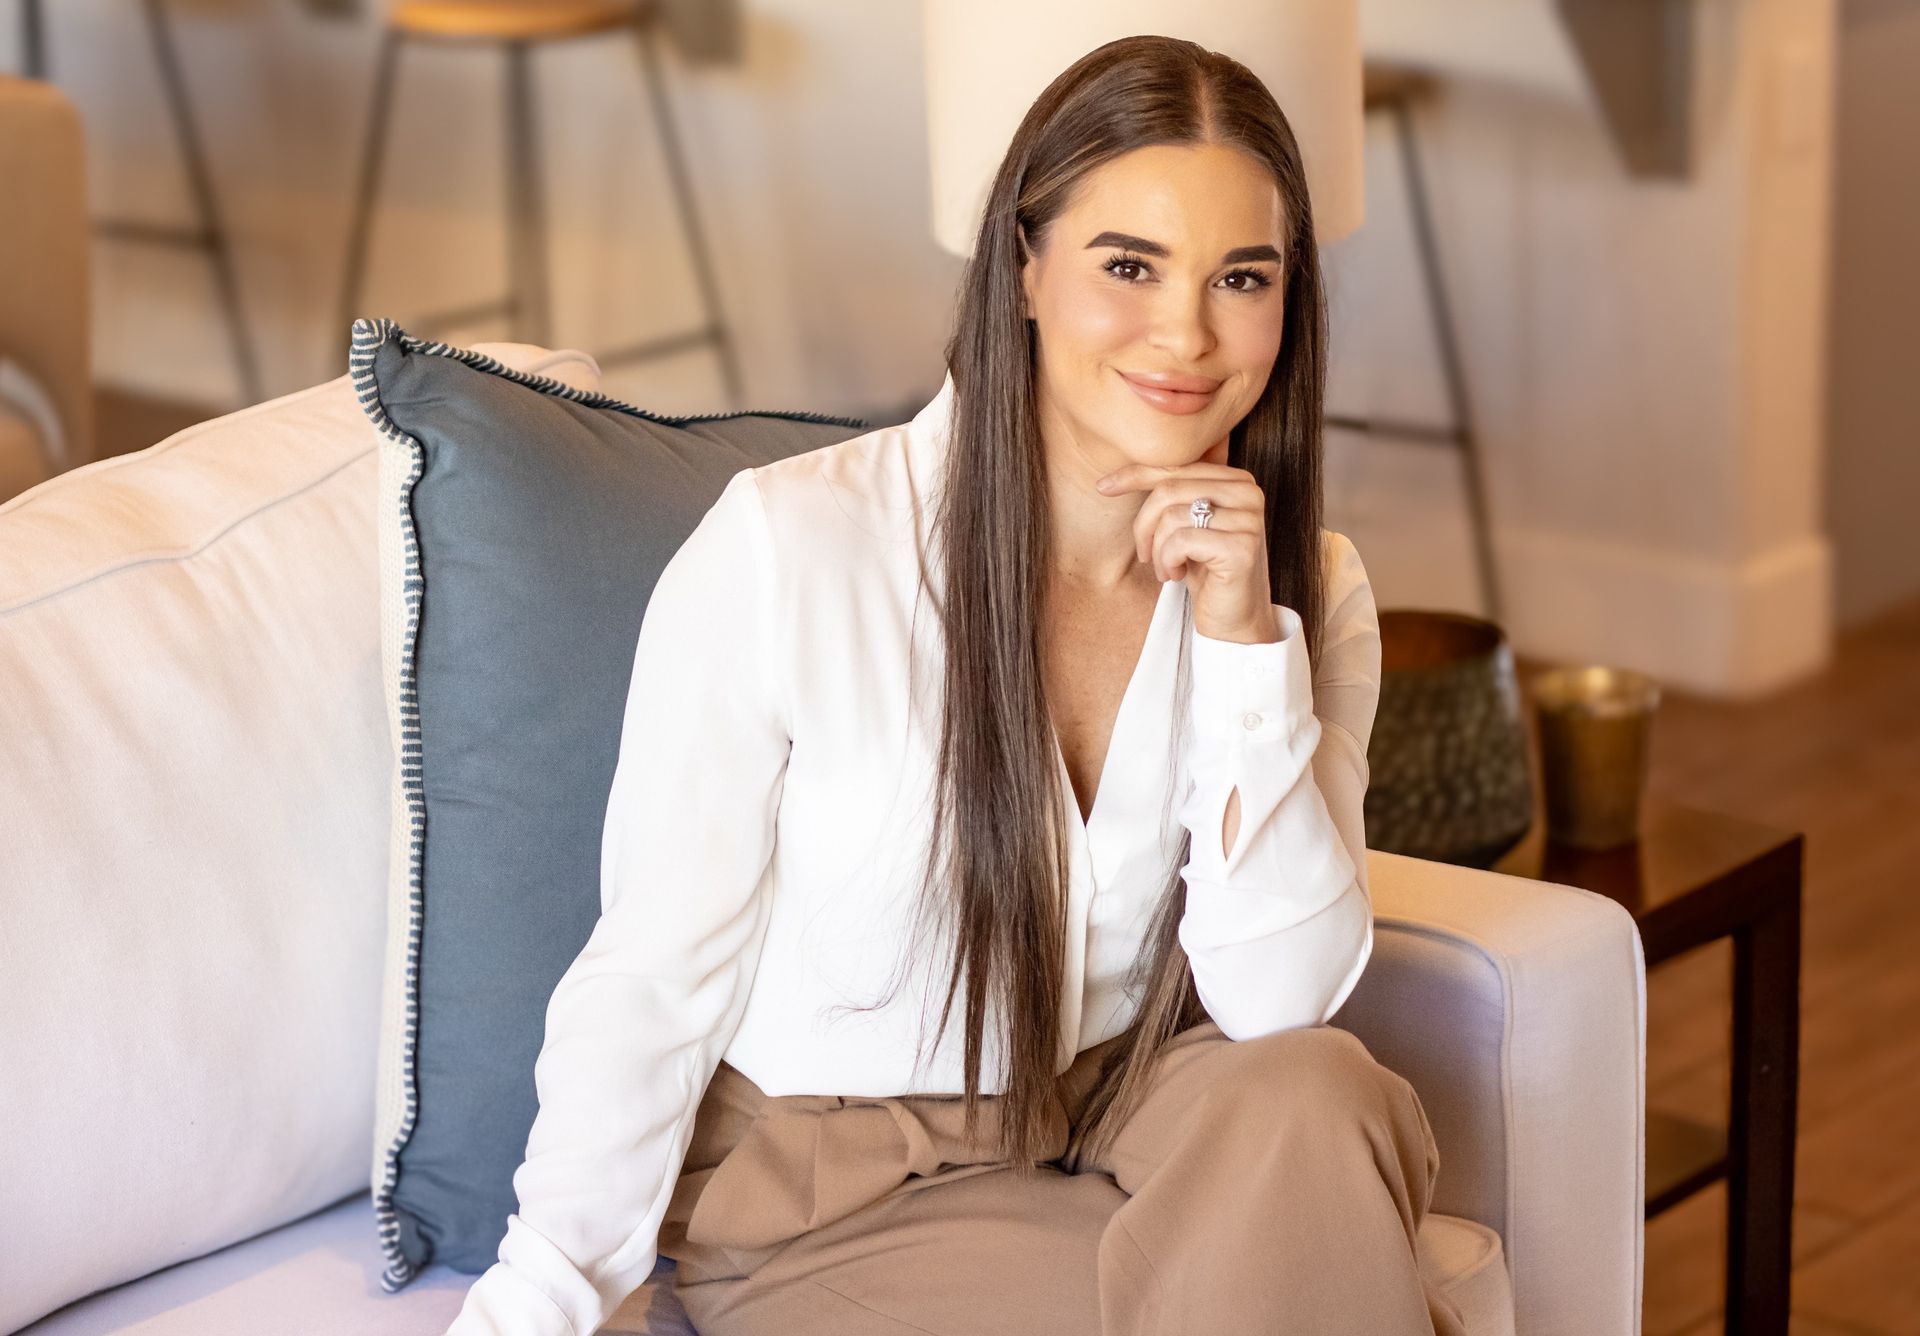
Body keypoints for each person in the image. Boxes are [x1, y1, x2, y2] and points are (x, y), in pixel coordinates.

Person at [447, 32, 1466, 1336]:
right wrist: (541, 1296)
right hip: (837, 1183)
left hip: (1127, 1108)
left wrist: (1240, 645)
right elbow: (650, 978)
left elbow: (1276, 1002)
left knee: (1319, 1095)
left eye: (1242, 276)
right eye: (1130, 266)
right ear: (1026, 268)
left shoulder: (1303, 590)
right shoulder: (793, 549)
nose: (1189, 334)